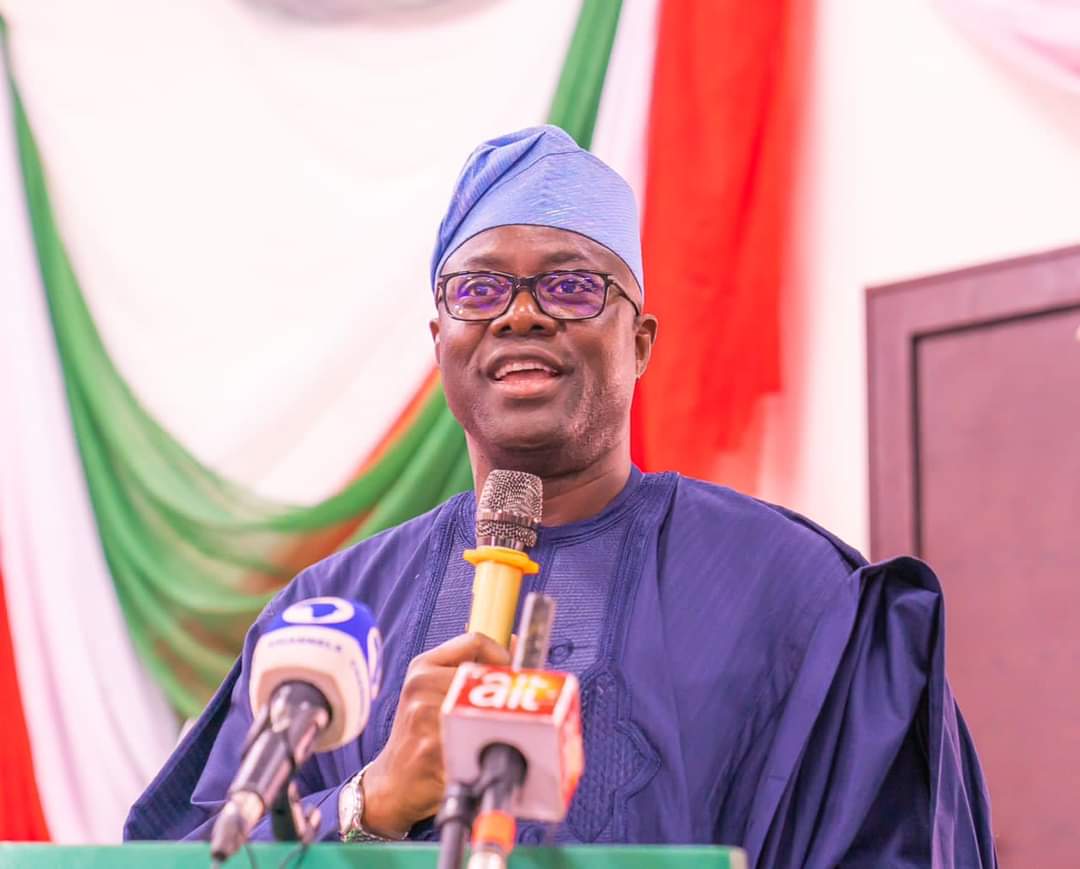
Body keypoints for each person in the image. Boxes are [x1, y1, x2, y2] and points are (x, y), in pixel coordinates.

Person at [125, 125, 996, 867]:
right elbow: (190, 852)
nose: (521, 314)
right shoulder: (329, 618)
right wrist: (370, 800)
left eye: (572, 286)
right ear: (440, 338)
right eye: (479, 289)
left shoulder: (796, 595)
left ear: (640, 340)